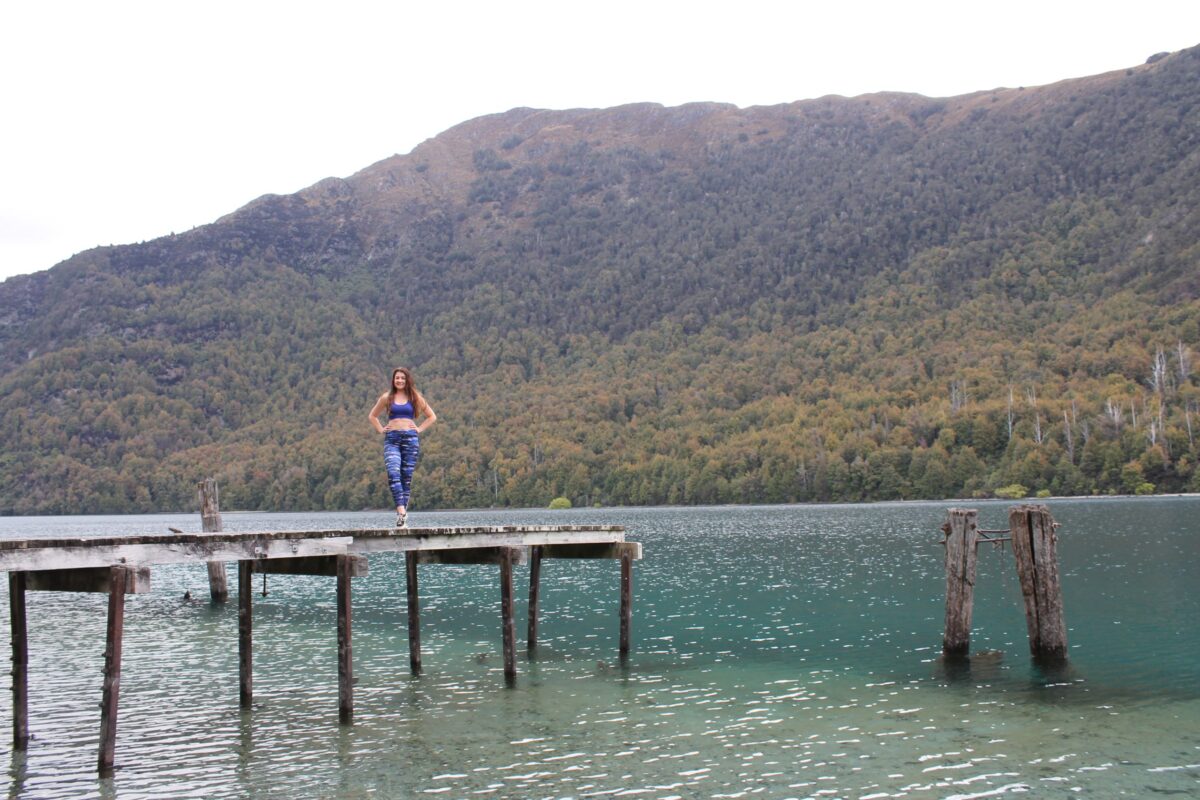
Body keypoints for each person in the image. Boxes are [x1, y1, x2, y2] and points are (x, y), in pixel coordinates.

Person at [368, 367, 437, 527]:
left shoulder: (414, 397)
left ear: (407, 380)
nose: (399, 380)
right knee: (393, 473)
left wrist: (419, 429)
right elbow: (372, 416)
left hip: (410, 439)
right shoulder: (387, 397)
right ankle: (401, 511)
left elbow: (432, 416)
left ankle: (401, 518)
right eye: (397, 378)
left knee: (406, 478)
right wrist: (380, 429)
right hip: (392, 439)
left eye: (402, 378)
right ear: (393, 380)